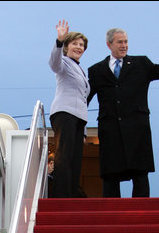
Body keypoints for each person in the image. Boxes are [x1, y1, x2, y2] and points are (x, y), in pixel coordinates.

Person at [87, 28, 159, 198]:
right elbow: (85, 98)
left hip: (136, 129)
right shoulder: (96, 70)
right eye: (120, 42)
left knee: (140, 173)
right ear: (109, 44)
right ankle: (111, 218)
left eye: (126, 42)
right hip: (110, 130)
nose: (124, 46)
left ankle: (141, 215)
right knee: (110, 175)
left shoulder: (141, 64)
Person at [49, 20, 90, 198]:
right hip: (65, 113)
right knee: (64, 154)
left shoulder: (81, 70)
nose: (79, 47)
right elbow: (53, 63)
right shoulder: (63, 62)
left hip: (79, 117)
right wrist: (59, 41)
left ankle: (72, 191)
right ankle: (62, 194)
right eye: (75, 43)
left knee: (75, 157)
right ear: (67, 46)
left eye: (82, 45)